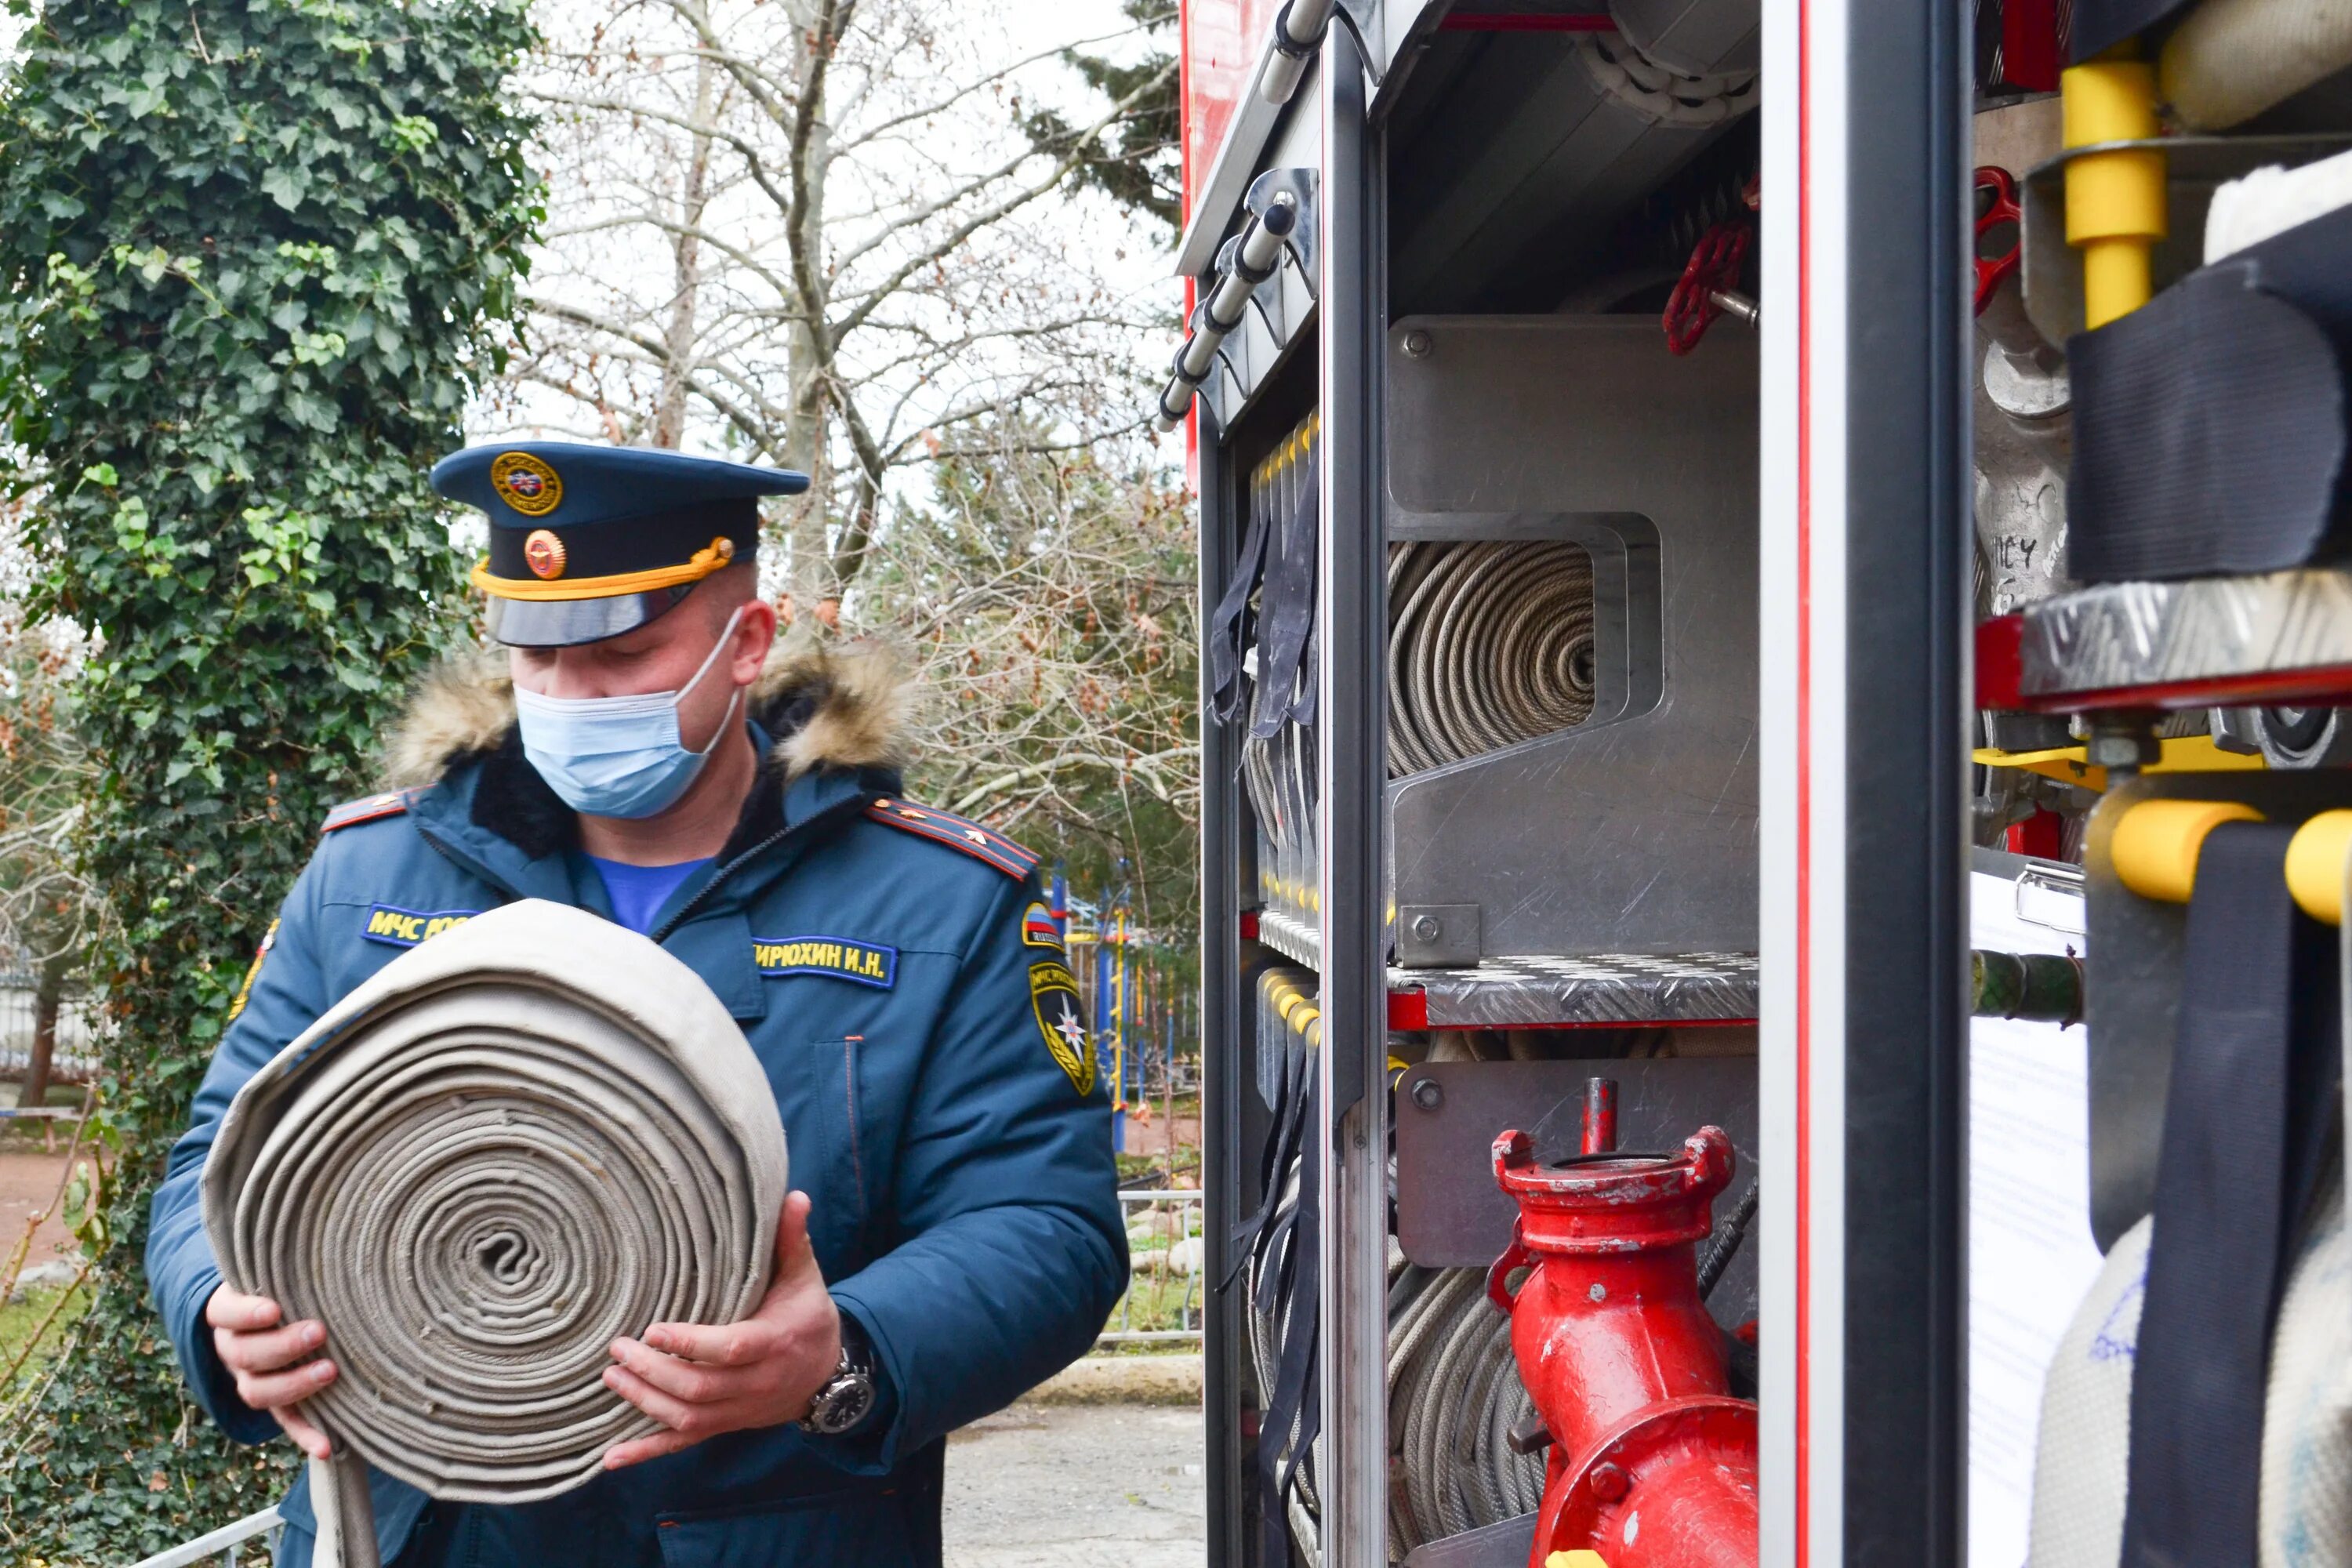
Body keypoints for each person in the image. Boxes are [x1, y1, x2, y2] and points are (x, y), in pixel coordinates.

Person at [143, 442, 1127, 1565]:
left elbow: (1048, 1227)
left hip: (768, 1532)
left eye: (621, 655)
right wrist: (223, 1310)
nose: (569, 700)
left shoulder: (943, 903)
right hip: (416, 1533)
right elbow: (213, 1161)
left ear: (745, 642)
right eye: (537, 660)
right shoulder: (367, 879)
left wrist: (844, 1356)